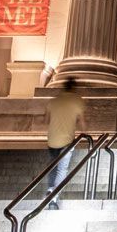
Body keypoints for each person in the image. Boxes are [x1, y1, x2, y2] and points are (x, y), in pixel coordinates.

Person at [43, 79, 84, 207]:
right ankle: (54, 195)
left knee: (53, 166)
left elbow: (45, 120)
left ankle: (50, 187)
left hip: (52, 139)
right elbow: (82, 123)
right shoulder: (77, 101)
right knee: (62, 168)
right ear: (74, 88)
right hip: (67, 140)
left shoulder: (54, 101)